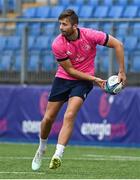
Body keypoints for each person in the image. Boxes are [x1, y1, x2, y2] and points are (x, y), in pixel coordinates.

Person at [32, 9, 126, 171]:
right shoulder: (57, 44)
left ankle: (57, 155)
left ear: (75, 26)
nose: (61, 27)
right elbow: (70, 71)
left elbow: (118, 44)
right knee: (48, 119)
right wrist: (95, 79)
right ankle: (41, 148)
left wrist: (122, 71)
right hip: (63, 79)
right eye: (60, 24)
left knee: (70, 115)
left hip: (82, 82)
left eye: (64, 24)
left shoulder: (90, 35)